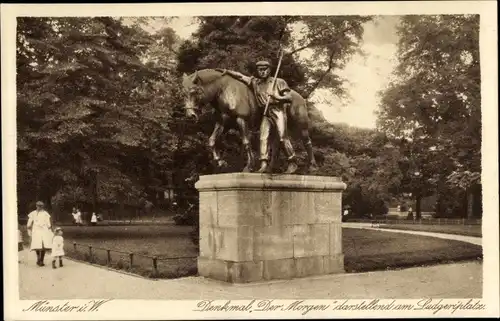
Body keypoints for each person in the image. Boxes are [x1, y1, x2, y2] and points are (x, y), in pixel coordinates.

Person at [218, 60, 298, 174]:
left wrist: (276, 96)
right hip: (266, 113)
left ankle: (292, 162)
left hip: (277, 111)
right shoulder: (255, 82)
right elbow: (240, 76)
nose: (263, 72)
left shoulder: (279, 82)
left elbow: (289, 97)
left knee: (282, 137)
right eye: (260, 70)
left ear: (269, 70)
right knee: (263, 137)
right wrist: (226, 71)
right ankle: (264, 164)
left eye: (265, 69)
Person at [26, 201, 53, 266]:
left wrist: (49, 227)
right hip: (36, 230)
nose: (39, 207)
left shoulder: (45, 213)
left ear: (42, 206)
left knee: (43, 245)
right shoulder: (33, 213)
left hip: (44, 230)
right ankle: (38, 258)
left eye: (41, 206)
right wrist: (29, 226)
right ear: (36, 206)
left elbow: (48, 223)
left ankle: (41, 260)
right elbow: (29, 222)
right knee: (37, 245)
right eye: (38, 206)